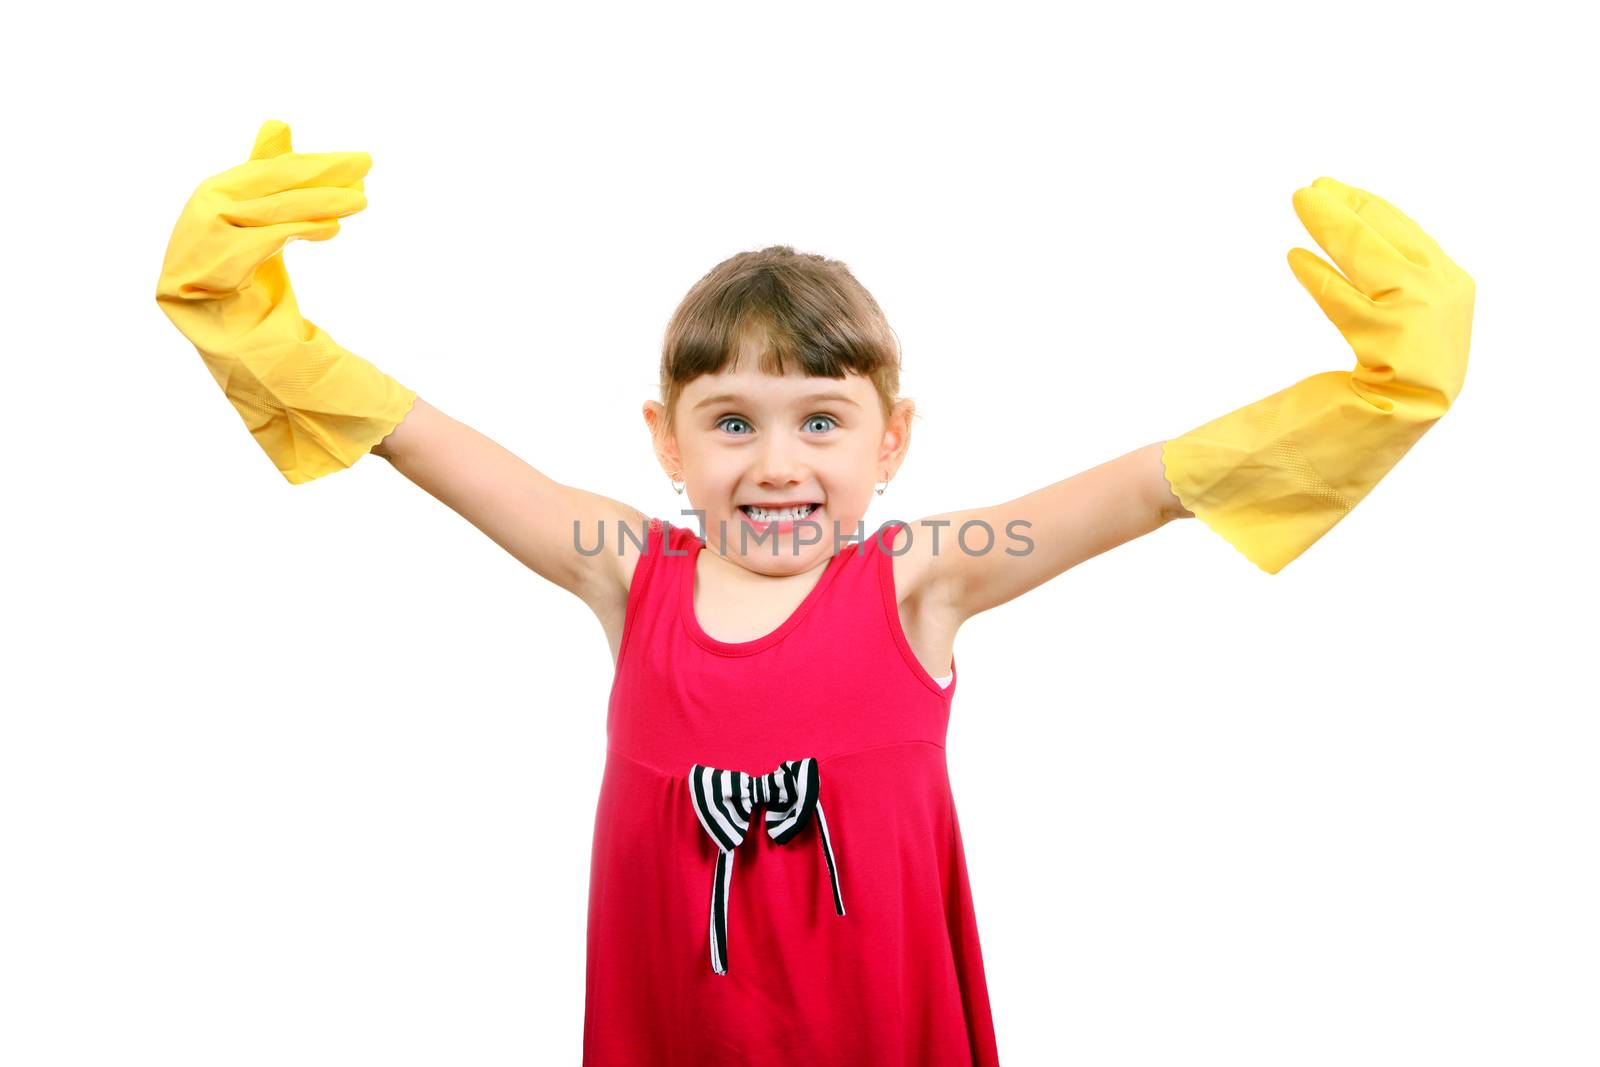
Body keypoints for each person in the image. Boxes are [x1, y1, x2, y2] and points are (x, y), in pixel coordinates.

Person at [154, 119, 1476, 1066]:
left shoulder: (924, 577)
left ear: (891, 441)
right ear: (663, 442)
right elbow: (418, 440)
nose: (777, 465)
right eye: (729, 423)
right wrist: (262, 332)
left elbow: (1153, 488)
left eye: (821, 422)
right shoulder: (629, 571)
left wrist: (1374, 398)